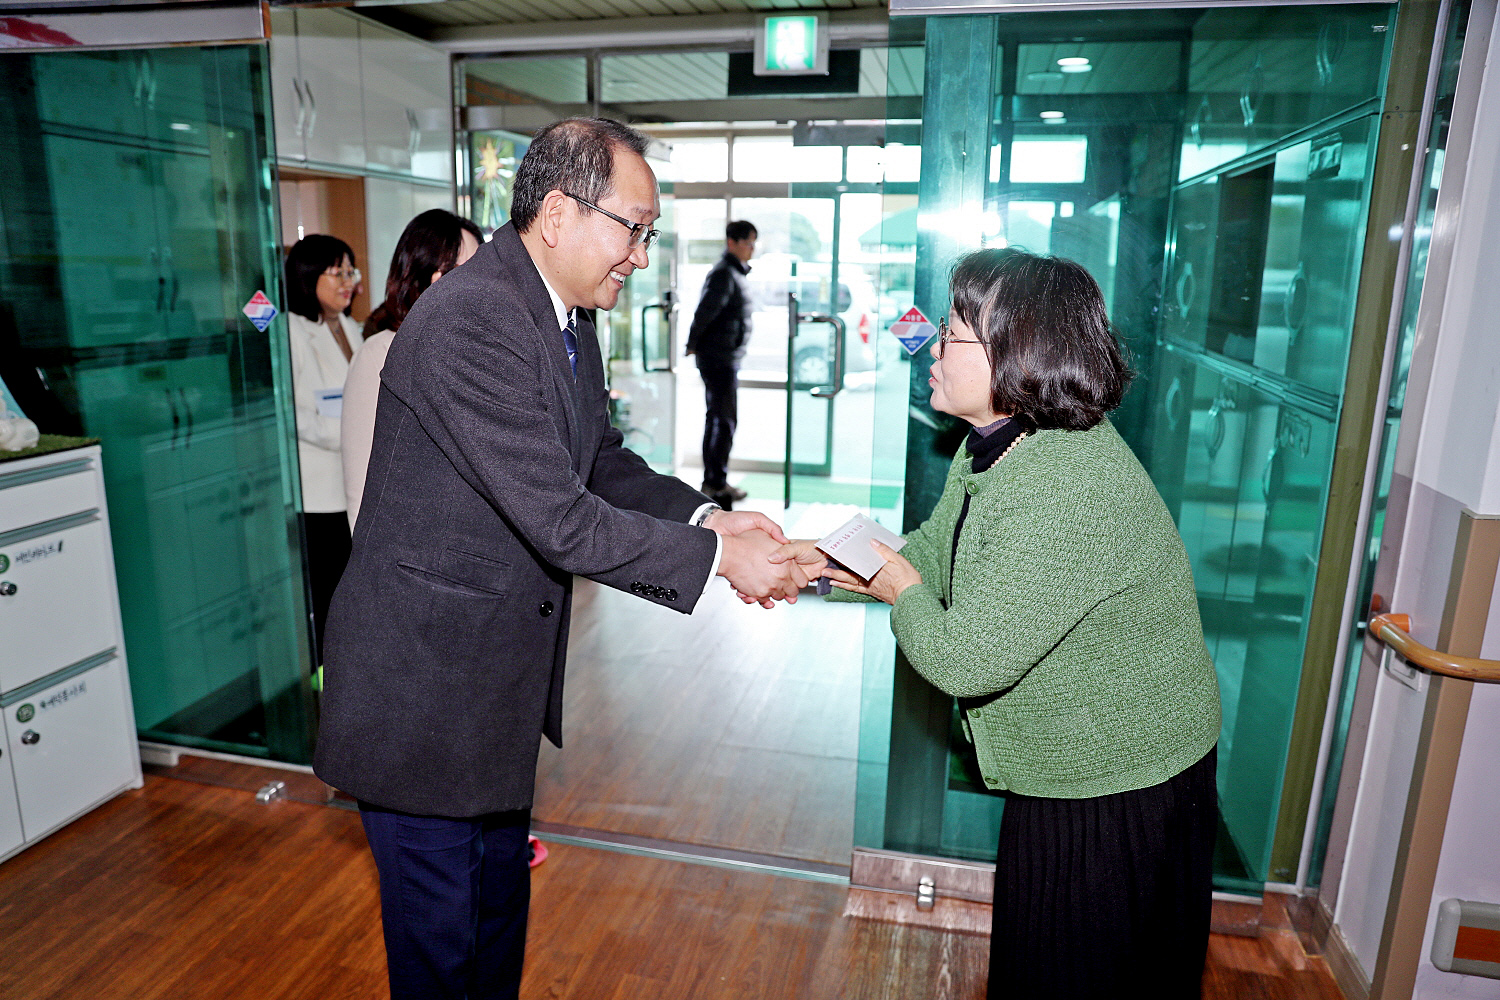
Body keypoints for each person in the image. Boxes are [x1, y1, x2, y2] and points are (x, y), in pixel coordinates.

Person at [313, 118, 813, 1000]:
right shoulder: (474, 321)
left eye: (648, 233)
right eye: (633, 228)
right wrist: (715, 563)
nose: (641, 253)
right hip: (423, 703)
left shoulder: (562, 316)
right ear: (556, 212)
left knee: (493, 930)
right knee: (445, 957)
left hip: (483, 700)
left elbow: (601, 460)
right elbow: (562, 518)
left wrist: (712, 519)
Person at [771, 248, 1222, 999]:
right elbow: (928, 558)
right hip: (1071, 767)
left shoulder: (1065, 484)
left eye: (950, 333)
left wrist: (892, 581)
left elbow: (963, 657)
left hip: (1121, 786)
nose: (930, 347)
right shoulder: (1000, 446)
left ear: (1017, 352)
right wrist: (808, 563)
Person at [342, 209, 484, 527]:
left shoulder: (479, 352)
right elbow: (361, 480)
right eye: (455, 271)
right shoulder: (379, 354)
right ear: (418, 274)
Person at [284, 234, 364, 667]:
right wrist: (347, 432)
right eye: (339, 271)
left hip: (353, 480)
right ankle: (322, 678)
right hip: (317, 493)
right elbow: (289, 412)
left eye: (351, 271)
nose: (349, 281)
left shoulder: (351, 327)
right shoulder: (290, 330)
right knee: (326, 592)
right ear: (308, 274)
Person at [685, 219, 756, 507]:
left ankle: (716, 480)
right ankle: (713, 483)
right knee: (722, 420)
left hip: (725, 357)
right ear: (732, 243)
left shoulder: (733, 273)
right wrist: (691, 344)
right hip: (718, 359)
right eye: (748, 243)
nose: (751, 249)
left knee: (721, 419)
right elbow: (705, 312)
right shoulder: (725, 274)